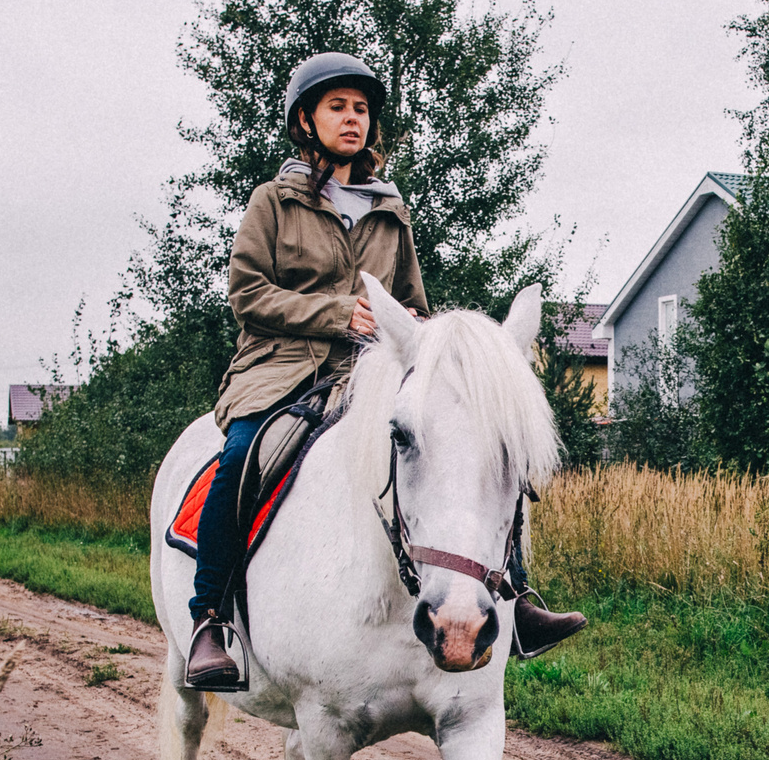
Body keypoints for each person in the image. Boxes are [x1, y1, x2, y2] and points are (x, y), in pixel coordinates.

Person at [184, 52, 585, 690]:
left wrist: (428, 349)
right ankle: (210, 619)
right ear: (305, 120)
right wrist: (338, 313)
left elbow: (413, 303)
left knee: (466, 445)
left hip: (373, 372)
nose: (353, 119)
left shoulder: (390, 208)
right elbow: (248, 294)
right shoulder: (273, 203)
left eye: (362, 109)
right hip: (282, 368)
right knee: (241, 458)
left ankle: (516, 596)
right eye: (338, 107)